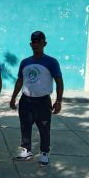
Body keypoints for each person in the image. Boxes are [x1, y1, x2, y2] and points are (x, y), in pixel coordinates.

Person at [10, 31, 64, 166]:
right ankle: (26, 150)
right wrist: (13, 98)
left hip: (43, 101)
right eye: (33, 41)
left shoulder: (51, 62)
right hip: (26, 100)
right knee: (25, 126)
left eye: (39, 41)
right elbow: (20, 80)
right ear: (30, 44)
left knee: (44, 127)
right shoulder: (25, 62)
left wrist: (58, 101)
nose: (36, 44)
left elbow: (59, 81)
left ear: (44, 43)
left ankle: (44, 153)